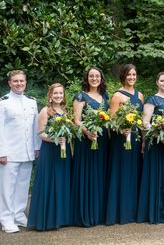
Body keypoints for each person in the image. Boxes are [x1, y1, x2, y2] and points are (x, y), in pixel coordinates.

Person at [0, 70, 40, 233]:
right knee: (7, 187)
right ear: (10, 83)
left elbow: (35, 127)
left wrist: (36, 147)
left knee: (23, 186)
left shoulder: (31, 102)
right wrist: (0, 152)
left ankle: (18, 214)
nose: (19, 84)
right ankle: (6, 218)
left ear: (26, 82)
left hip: (26, 152)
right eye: (16, 81)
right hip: (9, 153)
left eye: (22, 81)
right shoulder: (1, 102)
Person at [137, 72, 164, 224]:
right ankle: (156, 211)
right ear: (157, 82)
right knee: (158, 175)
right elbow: (145, 122)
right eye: (162, 80)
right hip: (156, 142)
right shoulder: (152, 99)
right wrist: (157, 132)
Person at [27, 83, 72, 231]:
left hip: (63, 152)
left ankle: (60, 218)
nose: (58, 96)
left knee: (61, 182)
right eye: (55, 93)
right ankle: (47, 219)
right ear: (50, 95)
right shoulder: (45, 111)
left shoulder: (65, 111)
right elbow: (40, 133)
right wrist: (55, 139)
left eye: (61, 93)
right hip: (50, 151)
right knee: (50, 182)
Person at [71, 67, 110, 227]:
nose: (94, 78)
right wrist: (87, 132)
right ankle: (85, 214)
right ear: (86, 78)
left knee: (100, 173)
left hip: (102, 141)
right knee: (87, 174)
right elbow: (77, 120)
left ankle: (99, 213)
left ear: (101, 78)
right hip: (86, 141)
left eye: (97, 76)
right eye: (91, 76)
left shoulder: (105, 96)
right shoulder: (80, 96)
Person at [106, 64, 144, 225]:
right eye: (129, 75)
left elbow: (141, 119)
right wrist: (122, 129)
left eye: (134, 75)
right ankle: (121, 212)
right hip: (121, 139)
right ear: (123, 76)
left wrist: (144, 139)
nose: (132, 78)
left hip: (135, 138)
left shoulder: (140, 95)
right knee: (122, 172)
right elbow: (111, 120)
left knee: (134, 172)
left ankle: (133, 211)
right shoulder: (117, 96)